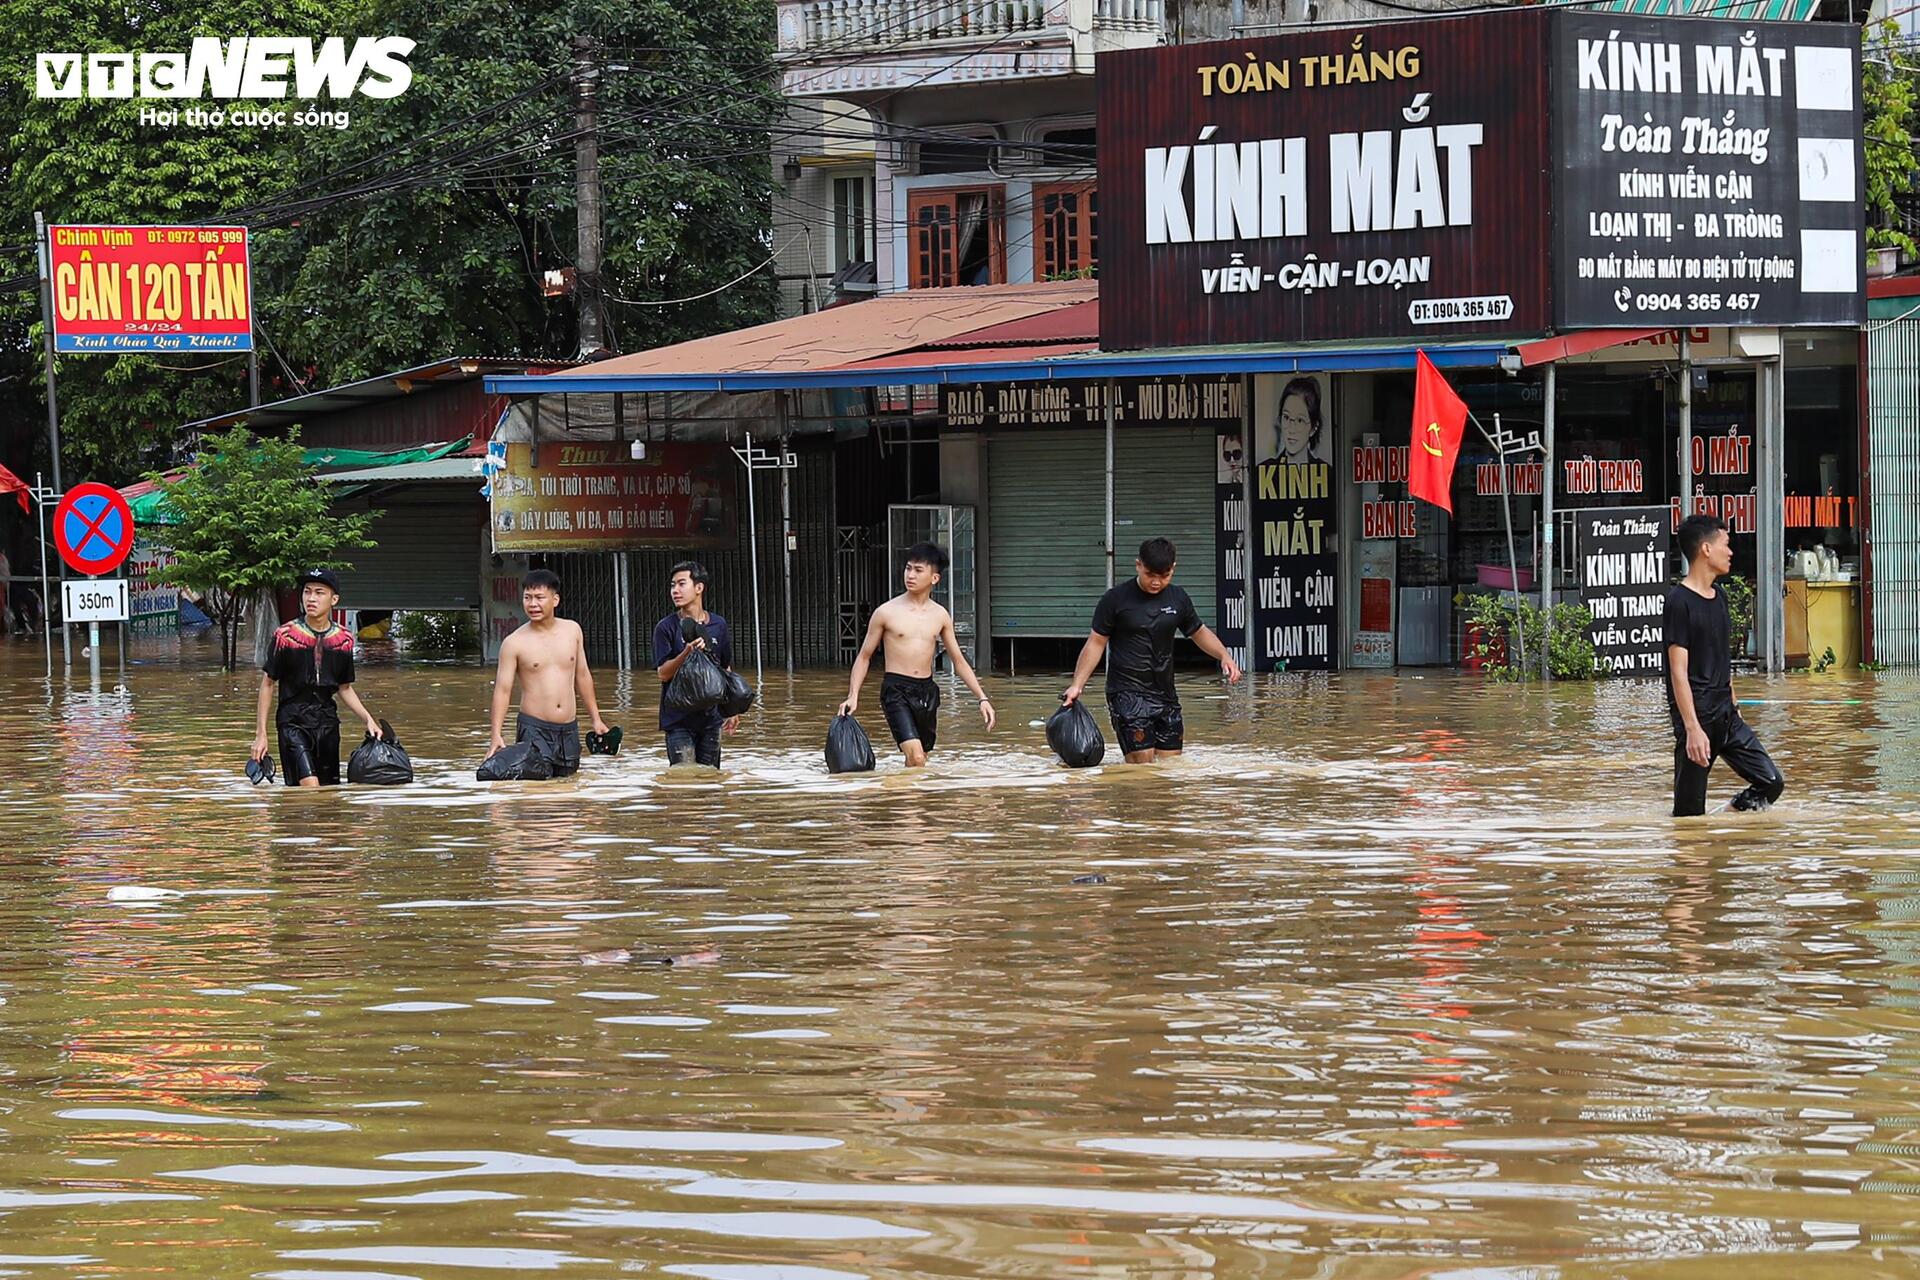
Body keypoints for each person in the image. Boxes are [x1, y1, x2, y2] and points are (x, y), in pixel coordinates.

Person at [1063, 537, 1243, 764]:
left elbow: (1198, 631)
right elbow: (1096, 643)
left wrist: (1224, 655)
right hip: (1126, 693)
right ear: (1138, 565)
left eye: (1164, 576)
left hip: (1165, 694)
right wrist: (1077, 685)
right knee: (1142, 763)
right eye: (1150, 575)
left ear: (1173, 569)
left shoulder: (1178, 598)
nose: (1157, 582)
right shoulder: (1115, 599)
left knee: (1170, 766)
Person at [1666, 514, 1784, 817]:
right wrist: (1692, 728)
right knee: (1688, 816)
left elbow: (1721, 658)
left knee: (1771, 783)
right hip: (1698, 715)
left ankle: (1726, 819)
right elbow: (1677, 671)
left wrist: (1734, 705)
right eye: (1726, 544)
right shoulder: (1678, 601)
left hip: (1727, 714)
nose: (1731, 552)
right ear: (1706, 549)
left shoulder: (1719, 596)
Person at [840, 541, 994, 767]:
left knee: (919, 759)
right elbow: (864, 656)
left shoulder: (940, 615)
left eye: (918, 570)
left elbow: (959, 661)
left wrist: (982, 698)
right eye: (908, 568)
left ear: (934, 578)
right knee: (917, 757)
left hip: (927, 692)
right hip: (896, 691)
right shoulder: (886, 612)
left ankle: (911, 800)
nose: (910, 575)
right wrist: (853, 695)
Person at [251, 568, 381, 787]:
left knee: (328, 794)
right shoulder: (285, 636)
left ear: (334, 599)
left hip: (327, 724)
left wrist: (368, 719)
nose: (311, 598)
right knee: (310, 787)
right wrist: (260, 734)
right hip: (292, 723)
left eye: (319, 592)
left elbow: (344, 688)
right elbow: (268, 683)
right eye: (307, 592)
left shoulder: (344, 640)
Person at [488, 568, 609, 777]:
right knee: (537, 794)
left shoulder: (572, 630)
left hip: (568, 729)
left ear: (555, 600)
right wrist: (496, 735)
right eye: (527, 598)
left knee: (569, 790)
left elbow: (582, 676)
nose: (533, 604)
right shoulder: (514, 643)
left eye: (539, 598)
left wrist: (596, 719)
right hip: (534, 728)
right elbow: (503, 690)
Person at [652, 560, 741, 768]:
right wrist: (688, 651)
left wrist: (732, 709)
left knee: (709, 779)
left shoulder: (719, 625)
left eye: (681, 584)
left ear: (699, 588)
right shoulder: (665, 628)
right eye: (673, 585)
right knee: (684, 779)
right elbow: (663, 674)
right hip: (678, 721)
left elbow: (725, 667)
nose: (675, 590)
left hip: (711, 720)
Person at [1262, 376, 1326, 466]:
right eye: (1286, 417)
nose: (1291, 429)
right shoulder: (1263, 470)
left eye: (1300, 420)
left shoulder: (1327, 472)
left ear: (1313, 428)